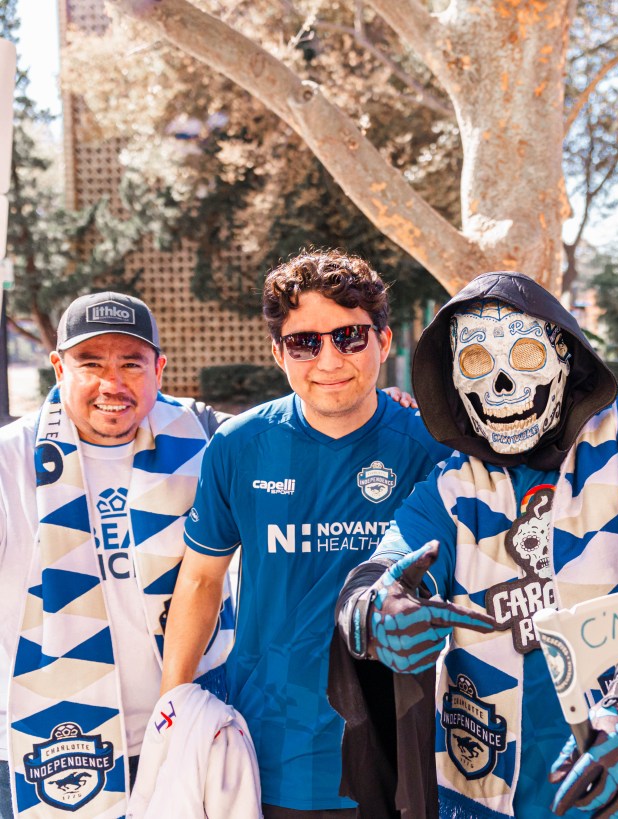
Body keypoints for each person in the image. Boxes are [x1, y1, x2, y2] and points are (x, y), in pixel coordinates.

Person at [334, 271, 618, 819]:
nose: (500, 384)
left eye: (523, 354)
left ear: (564, 355)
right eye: (476, 364)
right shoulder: (454, 483)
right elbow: (384, 570)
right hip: (487, 785)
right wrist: (373, 615)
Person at [158, 250, 453, 818]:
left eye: (349, 336)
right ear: (278, 353)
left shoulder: (432, 448)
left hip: (401, 751)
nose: (329, 359)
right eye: (305, 342)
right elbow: (200, 582)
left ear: (385, 342)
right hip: (272, 749)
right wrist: (174, 706)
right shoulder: (238, 446)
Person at [0, 292, 233, 819]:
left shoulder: (207, 439)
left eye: (131, 363)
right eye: (91, 364)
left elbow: (297, 432)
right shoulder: (10, 458)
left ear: (159, 369)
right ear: (58, 366)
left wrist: (386, 406)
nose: (113, 383)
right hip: (41, 745)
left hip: (183, 732)